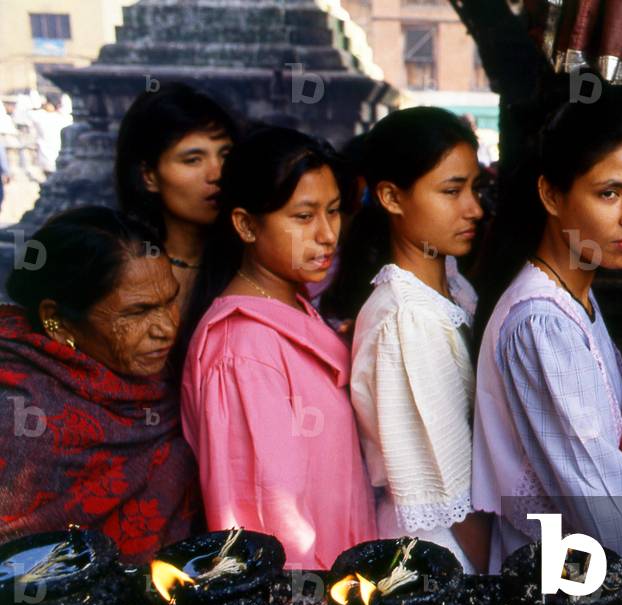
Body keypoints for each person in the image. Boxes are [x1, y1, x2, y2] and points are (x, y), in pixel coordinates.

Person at [471, 93, 622, 571]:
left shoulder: (575, 294)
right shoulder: (539, 325)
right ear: (551, 196)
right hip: (555, 585)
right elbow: (608, 519)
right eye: (609, 193)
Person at [179, 126, 376, 569]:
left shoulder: (291, 307)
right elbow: (265, 519)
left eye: (334, 211)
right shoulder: (241, 351)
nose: (327, 234)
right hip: (305, 603)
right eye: (303, 217)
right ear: (246, 225)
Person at [321, 107, 490, 574]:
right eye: (452, 191)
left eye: (474, 188)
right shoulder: (406, 318)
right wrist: (499, 584)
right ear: (393, 198)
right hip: (439, 556)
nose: (473, 207)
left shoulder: (451, 286)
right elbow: (451, 492)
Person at [0, 207, 199, 562]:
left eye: (170, 301)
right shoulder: (24, 414)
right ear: (57, 321)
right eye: (137, 312)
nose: (166, 328)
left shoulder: (162, 379)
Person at [116, 83, 238, 312]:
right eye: (193, 160)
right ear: (149, 176)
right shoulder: (121, 267)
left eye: (226, 154)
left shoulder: (253, 264)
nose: (217, 174)